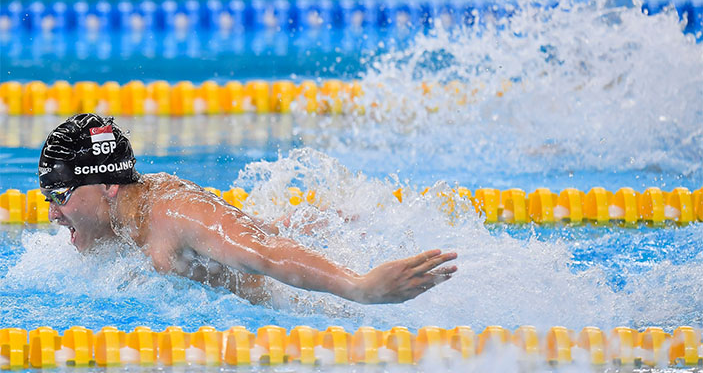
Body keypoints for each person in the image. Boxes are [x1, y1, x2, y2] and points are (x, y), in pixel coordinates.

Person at [39, 113, 458, 305]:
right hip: (251, 238)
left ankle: (353, 215)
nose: (53, 214)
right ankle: (335, 214)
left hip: (285, 301)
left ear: (108, 184)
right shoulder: (122, 221)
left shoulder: (174, 215)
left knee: (266, 232)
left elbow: (267, 255)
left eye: (60, 195)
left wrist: (359, 286)